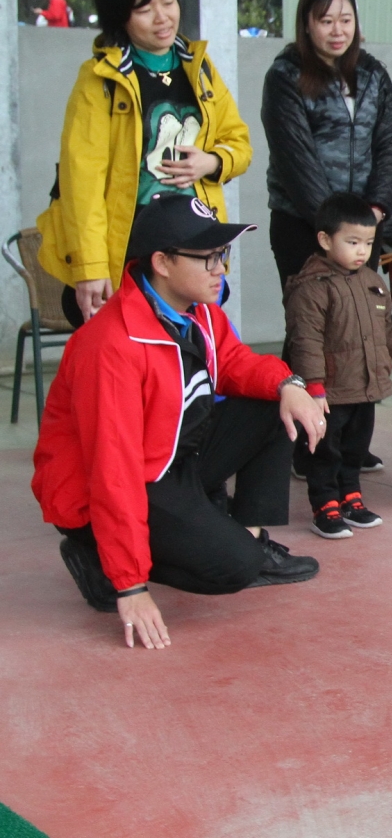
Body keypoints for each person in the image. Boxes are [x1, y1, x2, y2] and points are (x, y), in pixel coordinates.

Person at [35, 194, 326, 649]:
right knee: (234, 568)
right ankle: (96, 555)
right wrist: (131, 586)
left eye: (223, 255)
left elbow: (233, 361)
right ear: (162, 262)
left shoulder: (199, 310)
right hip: (121, 485)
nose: (221, 270)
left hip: (172, 458)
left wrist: (289, 383)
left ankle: (249, 534)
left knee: (275, 404)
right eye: (209, 258)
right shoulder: (110, 346)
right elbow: (113, 471)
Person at [39, 0, 252, 327]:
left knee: (194, 360)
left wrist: (213, 161)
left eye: (168, 2)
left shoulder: (198, 67)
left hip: (194, 243)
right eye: (145, 9)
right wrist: (90, 267)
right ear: (120, 16)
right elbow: (81, 181)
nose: (163, 17)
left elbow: (239, 143)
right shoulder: (100, 80)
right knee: (131, 362)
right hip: (130, 249)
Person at [261, 0, 392, 289]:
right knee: (311, 325)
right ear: (307, 24)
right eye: (326, 21)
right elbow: (295, 157)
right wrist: (336, 226)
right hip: (304, 226)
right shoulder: (285, 75)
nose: (338, 30)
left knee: (358, 323)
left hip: (365, 228)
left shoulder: (373, 73)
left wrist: (377, 209)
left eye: (346, 20)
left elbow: (391, 142)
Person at [282, 193, 392, 539]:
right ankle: (325, 505)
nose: (362, 251)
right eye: (352, 242)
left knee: (355, 449)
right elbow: (305, 341)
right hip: (329, 392)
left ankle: (351, 498)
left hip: (364, 388)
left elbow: (386, 327)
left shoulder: (371, 281)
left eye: (368, 242)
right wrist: (314, 386)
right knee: (323, 451)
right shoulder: (312, 287)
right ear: (324, 239)